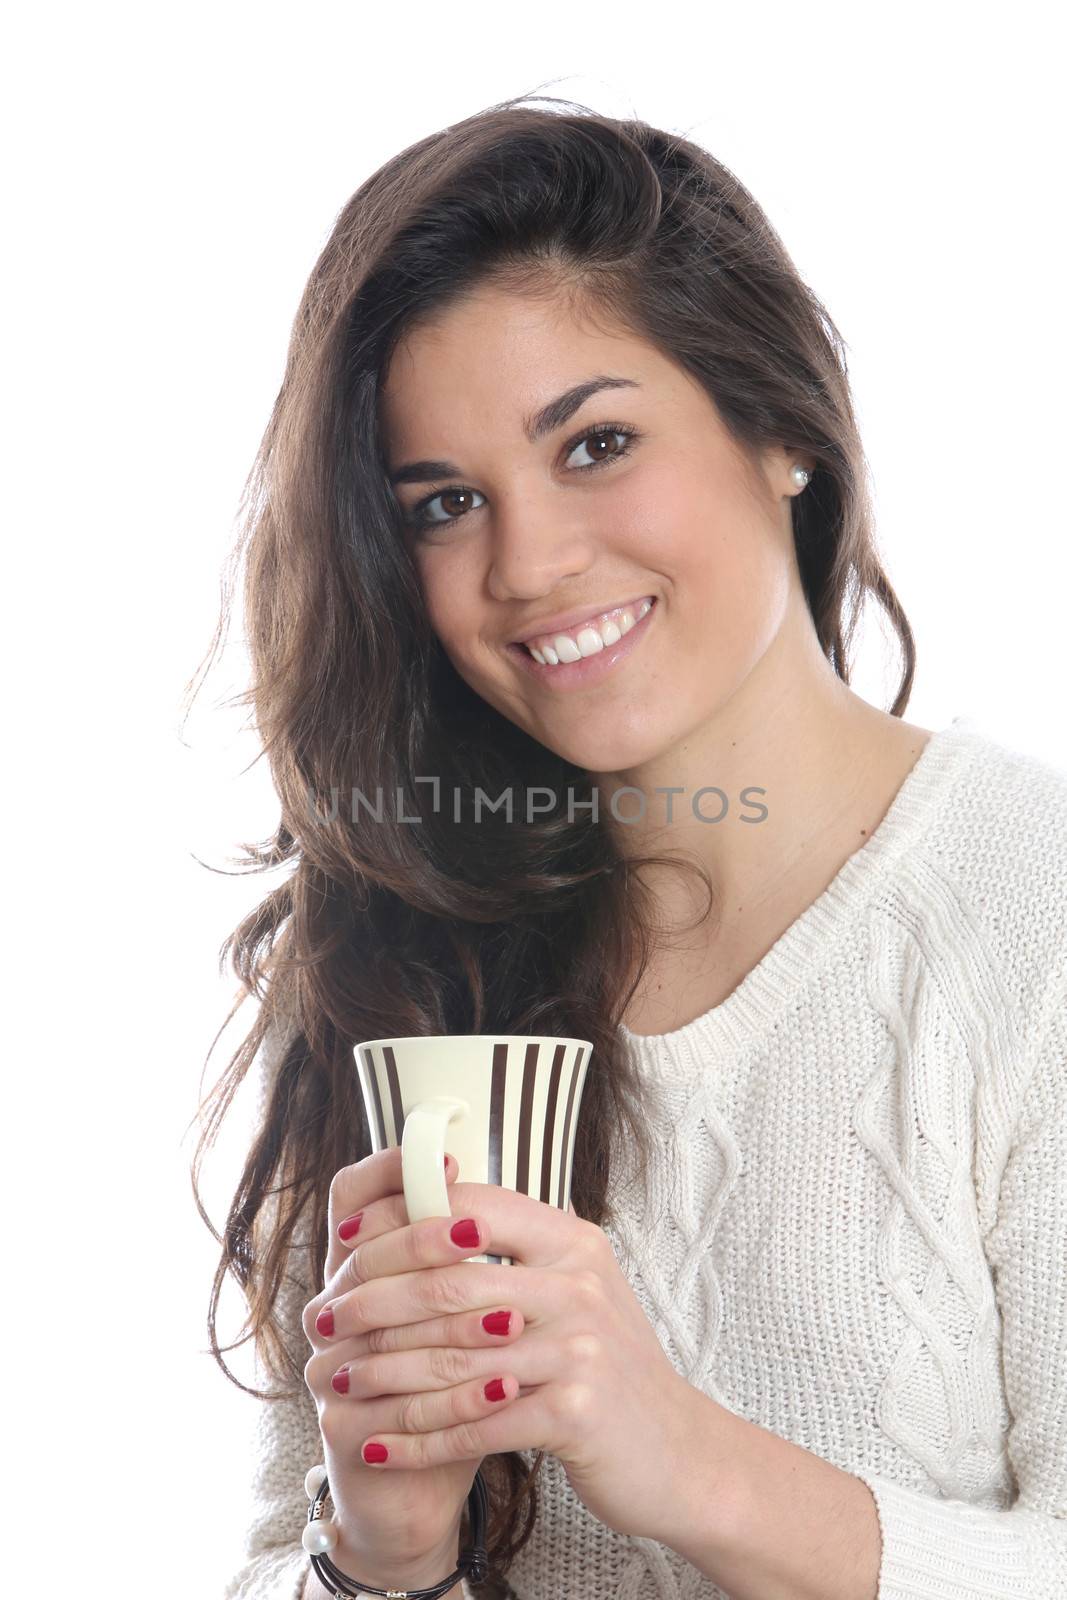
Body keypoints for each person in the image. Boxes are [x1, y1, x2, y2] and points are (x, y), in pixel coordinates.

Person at [195, 96, 1067, 1600]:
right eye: (446, 504)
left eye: (596, 444)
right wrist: (378, 1555)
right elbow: (284, 1561)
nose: (527, 565)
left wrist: (689, 1461)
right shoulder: (394, 952)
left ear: (781, 426)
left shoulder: (1031, 917)